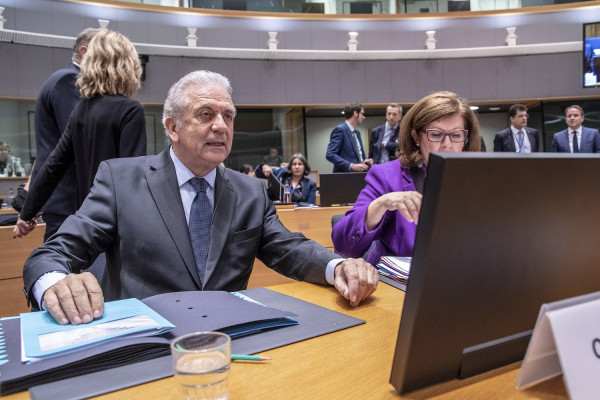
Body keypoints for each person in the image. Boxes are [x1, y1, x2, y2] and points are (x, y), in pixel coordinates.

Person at [22, 70, 378, 326]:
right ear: (173, 127)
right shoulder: (121, 180)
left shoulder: (250, 192)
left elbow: (288, 248)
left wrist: (338, 267)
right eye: (206, 114)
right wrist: (56, 283)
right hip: (146, 343)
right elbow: (52, 254)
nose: (221, 125)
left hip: (229, 340)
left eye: (228, 116)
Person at [14, 29, 147, 238]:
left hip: (83, 220)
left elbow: (54, 164)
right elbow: (132, 178)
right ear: (129, 65)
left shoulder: (81, 110)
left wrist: (26, 212)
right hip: (113, 224)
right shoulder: (130, 111)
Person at [332, 91, 481, 266]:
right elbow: (343, 246)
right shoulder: (387, 176)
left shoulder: (479, 178)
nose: (447, 144)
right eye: (436, 134)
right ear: (416, 136)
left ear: (465, 138)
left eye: (456, 135)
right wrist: (381, 204)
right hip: (401, 281)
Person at [29, 28, 100, 241]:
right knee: (64, 260)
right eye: (103, 52)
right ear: (84, 51)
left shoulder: (62, 78)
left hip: (64, 198)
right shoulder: (70, 80)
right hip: (69, 198)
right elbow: (78, 140)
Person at [326, 103, 373, 172]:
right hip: (345, 176)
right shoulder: (340, 130)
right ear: (355, 114)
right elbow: (330, 154)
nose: (364, 117)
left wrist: (365, 160)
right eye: (362, 114)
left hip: (359, 175)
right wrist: (351, 165)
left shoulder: (357, 133)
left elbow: (356, 156)